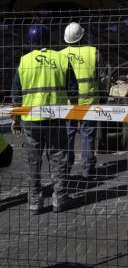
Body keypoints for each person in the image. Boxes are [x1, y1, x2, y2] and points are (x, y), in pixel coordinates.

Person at [12, 24, 74, 213]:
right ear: (49, 40)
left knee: (32, 160)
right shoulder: (61, 58)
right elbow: (74, 90)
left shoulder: (24, 61)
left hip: (31, 120)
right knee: (58, 158)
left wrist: (16, 119)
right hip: (56, 118)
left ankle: (35, 202)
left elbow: (16, 95)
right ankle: (60, 199)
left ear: (30, 42)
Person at [61, 22, 102, 182]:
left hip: (69, 103)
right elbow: (102, 76)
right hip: (88, 100)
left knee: (68, 135)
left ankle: (66, 168)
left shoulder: (61, 55)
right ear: (82, 36)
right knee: (88, 134)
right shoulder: (92, 52)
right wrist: (103, 95)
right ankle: (87, 170)